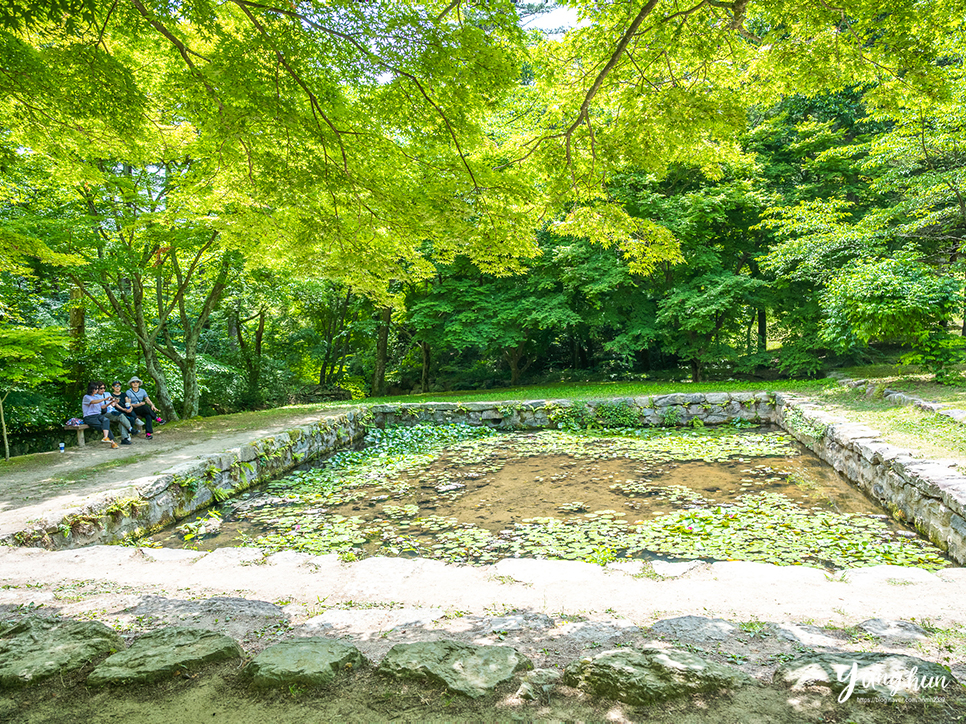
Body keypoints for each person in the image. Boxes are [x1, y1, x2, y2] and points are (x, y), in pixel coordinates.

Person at [81, 381, 118, 448]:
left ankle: (106, 437)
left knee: (106, 420)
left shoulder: (97, 397)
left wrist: (111, 402)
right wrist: (105, 398)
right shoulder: (86, 397)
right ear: (91, 389)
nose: (96, 390)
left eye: (97, 389)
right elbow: (93, 402)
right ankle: (112, 442)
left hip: (98, 415)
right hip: (89, 417)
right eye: (95, 389)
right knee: (103, 426)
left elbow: (103, 406)